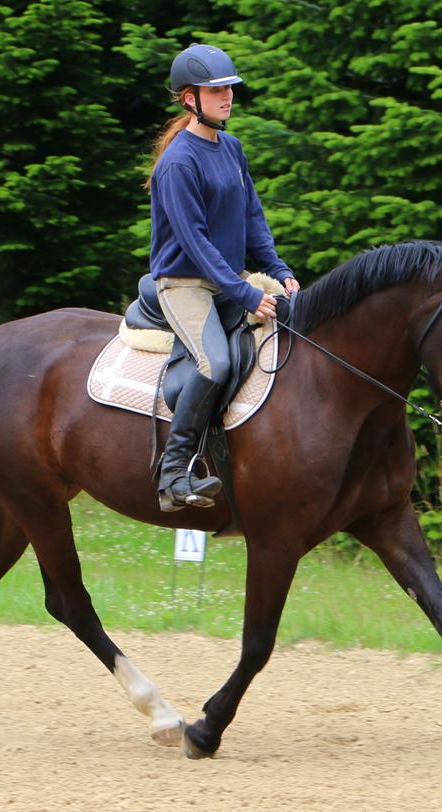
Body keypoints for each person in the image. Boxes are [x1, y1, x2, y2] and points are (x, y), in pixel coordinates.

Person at [146, 43, 301, 512]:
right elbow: (194, 243)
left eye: (229, 89)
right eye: (217, 90)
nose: (227, 97)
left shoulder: (231, 148)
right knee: (215, 362)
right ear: (190, 98)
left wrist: (278, 271)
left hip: (231, 279)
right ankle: (173, 475)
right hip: (185, 284)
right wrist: (245, 292)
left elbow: (253, 218)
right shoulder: (178, 162)